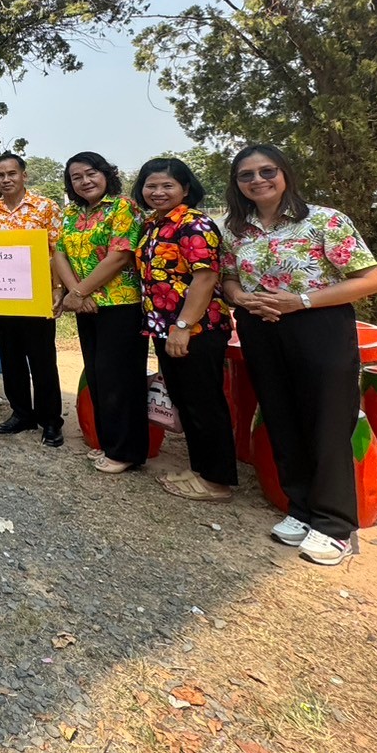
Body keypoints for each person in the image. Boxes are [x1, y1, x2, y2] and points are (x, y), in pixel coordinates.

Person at [220, 145, 377, 565]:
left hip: (318, 326)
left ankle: (334, 525)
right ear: (237, 184)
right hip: (260, 327)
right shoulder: (236, 229)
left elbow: (371, 280)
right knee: (280, 415)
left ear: (284, 173)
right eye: (246, 175)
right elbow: (229, 278)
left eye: (267, 171)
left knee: (327, 420)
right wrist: (241, 298)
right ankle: (301, 507)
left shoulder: (325, 220)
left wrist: (302, 301)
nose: (257, 180)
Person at [133, 158, 237, 501]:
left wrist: (183, 325)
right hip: (165, 327)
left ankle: (217, 481)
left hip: (196, 328)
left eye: (167, 185)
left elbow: (205, 277)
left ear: (186, 188)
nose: (158, 192)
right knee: (185, 399)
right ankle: (200, 469)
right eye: (151, 185)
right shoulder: (154, 224)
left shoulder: (194, 224)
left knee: (203, 401)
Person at [54, 152, 148, 474]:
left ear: (106, 174)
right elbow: (59, 253)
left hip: (120, 305)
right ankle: (109, 443)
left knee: (120, 378)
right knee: (97, 375)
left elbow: (119, 256)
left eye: (91, 173)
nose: (85, 181)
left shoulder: (123, 207)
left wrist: (79, 292)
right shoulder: (71, 213)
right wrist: (75, 294)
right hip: (85, 305)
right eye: (76, 177)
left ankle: (126, 451)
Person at [0, 153, 65, 448]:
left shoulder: (45, 207)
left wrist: (58, 288)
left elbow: (58, 252)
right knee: (11, 358)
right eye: (0, 175)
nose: (6, 180)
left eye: (11, 174)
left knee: (42, 360)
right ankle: (21, 414)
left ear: (24, 175)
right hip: (3, 296)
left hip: (37, 296)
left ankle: (51, 420)